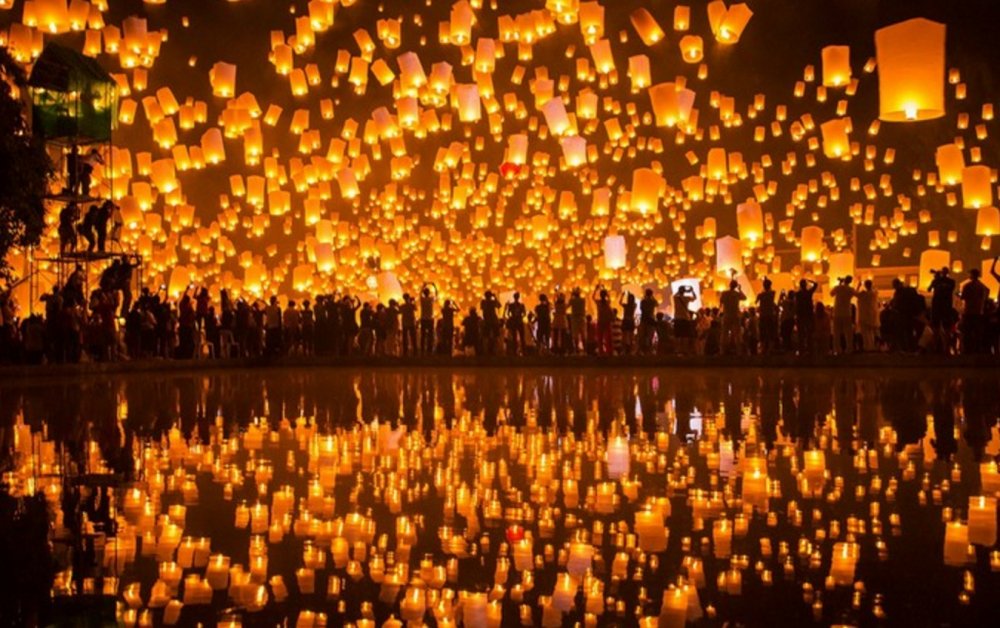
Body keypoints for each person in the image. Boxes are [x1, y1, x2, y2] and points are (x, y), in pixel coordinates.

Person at [959, 268, 989, 354]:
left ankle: (967, 350)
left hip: (969, 311)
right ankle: (978, 349)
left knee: (967, 331)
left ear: (972, 275)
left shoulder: (967, 286)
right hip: (979, 311)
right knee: (978, 332)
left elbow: (963, 297)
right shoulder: (982, 286)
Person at [928, 267, 957, 353]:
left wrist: (936, 277)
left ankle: (935, 349)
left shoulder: (937, 281)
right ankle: (946, 348)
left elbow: (929, 289)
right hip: (947, 306)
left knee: (935, 329)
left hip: (937, 306)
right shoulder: (951, 281)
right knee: (947, 329)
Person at [830, 276, 857, 355]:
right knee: (848, 333)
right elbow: (857, 294)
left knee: (836, 333)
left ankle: (837, 349)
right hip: (847, 313)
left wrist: (839, 284)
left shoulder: (838, 288)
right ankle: (849, 349)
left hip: (837, 313)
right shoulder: (850, 289)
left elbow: (831, 294)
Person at [719, 280, 746, 354]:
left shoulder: (724, 293)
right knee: (737, 333)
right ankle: (739, 351)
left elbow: (721, 302)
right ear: (736, 286)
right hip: (735, 315)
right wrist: (740, 290)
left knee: (724, 333)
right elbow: (744, 297)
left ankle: (722, 351)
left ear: (729, 285)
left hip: (727, 315)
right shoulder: (737, 294)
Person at [794, 279, 818, 354]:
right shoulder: (808, 293)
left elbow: (796, 304)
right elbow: (816, 285)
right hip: (808, 315)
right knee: (809, 333)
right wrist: (810, 281)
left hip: (800, 315)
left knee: (801, 334)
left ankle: (802, 349)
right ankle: (810, 349)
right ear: (805, 285)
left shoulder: (797, 294)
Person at [756, 278, 778, 354]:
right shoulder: (772, 293)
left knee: (763, 332)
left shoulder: (760, 295)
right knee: (770, 332)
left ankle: (763, 349)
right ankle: (770, 349)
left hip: (763, 315)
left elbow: (756, 302)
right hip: (770, 315)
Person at [856, 279, 879, 352]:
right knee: (871, 332)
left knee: (865, 333)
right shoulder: (874, 293)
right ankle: (871, 346)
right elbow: (875, 289)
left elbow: (856, 294)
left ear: (865, 286)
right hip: (872, 316)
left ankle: (867, 347)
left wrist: (858, 286)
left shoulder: (863, 294)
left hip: (864, 316)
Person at [672, 286, 696, 355]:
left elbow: (675, 294)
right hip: (685, 318)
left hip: (677, 318)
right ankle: (685, 350)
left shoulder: (676, 298)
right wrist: (691, 291)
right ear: (684, 292)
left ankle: (678, 350)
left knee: (678, 335)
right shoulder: (687, 298)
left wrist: (681, 291)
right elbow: (695, 298)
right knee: (685, 335)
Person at [593, 286, 613, 355]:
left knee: (600, 338)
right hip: (607, 322)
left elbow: (593, 297)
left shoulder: (599, 303)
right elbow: (609, 298)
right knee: (608, 338)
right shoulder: (607, 302)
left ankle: (601, 351)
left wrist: (596, 289)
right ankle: (609, 351)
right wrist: (606, 291)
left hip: (600, 321)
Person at [637, 289, 658, 354]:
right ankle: (649, 349)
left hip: (644, 319)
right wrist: (652, 297)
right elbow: (657, 304)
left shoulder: (643, 301)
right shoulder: (652, 302)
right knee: (650, 335)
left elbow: (641, 309)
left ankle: (642, 349)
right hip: (651, 319)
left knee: (643, 335)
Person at [419, 283, 437, 354]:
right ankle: (429, 350)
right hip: (430, 319)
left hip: (423, 319)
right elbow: (436, 294)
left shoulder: (422, 299)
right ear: (429, 293)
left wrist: (423, 286)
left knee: (423, 335)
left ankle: (422, 350)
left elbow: (420, 293)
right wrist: (434, 286)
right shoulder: (431, 299)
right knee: (430, 335)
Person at [480, 291, 500, 355]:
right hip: (491, 321)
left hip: (489, 321)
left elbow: (499, 306)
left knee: (488, 336)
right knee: (492, 336)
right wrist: (495, 297)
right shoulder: (490, 302)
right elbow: (499, 305)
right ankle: (491, 350)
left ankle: (489, 350)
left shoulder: (483, 302)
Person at [569, 288, 587, 354]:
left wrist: (571, 295)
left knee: (575, 335)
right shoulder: (583, 300)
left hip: (575, 318)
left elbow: (568, 305)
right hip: (582, 318)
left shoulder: (572, 300)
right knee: (583, 334)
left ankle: (576, 350)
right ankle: (585, 350)